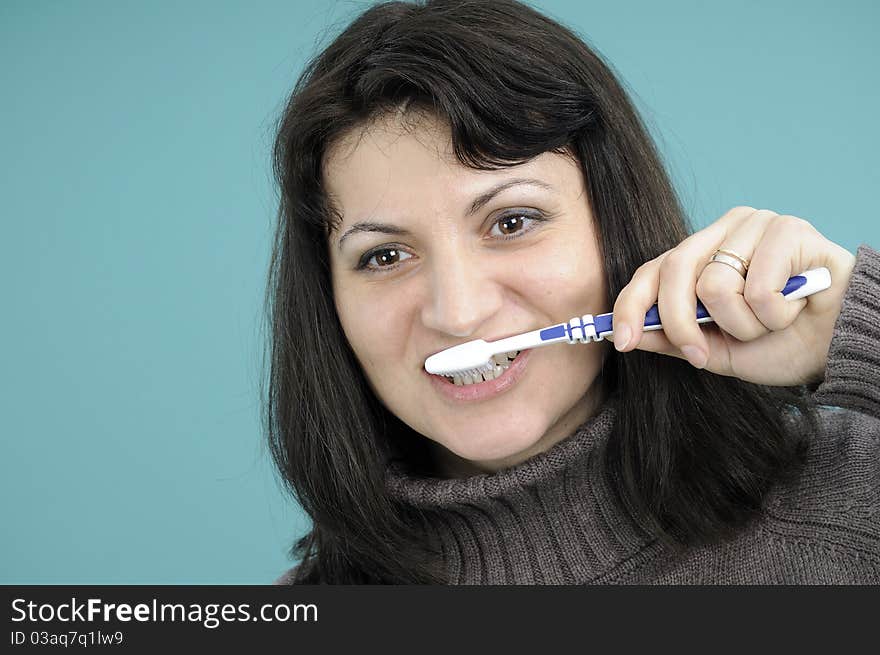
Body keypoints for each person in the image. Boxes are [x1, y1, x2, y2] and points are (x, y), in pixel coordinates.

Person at [266, 0, 880, 584]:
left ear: (616, 225)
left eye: (511, 222)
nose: (459, 313)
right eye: (386, 256)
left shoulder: (852, 507)